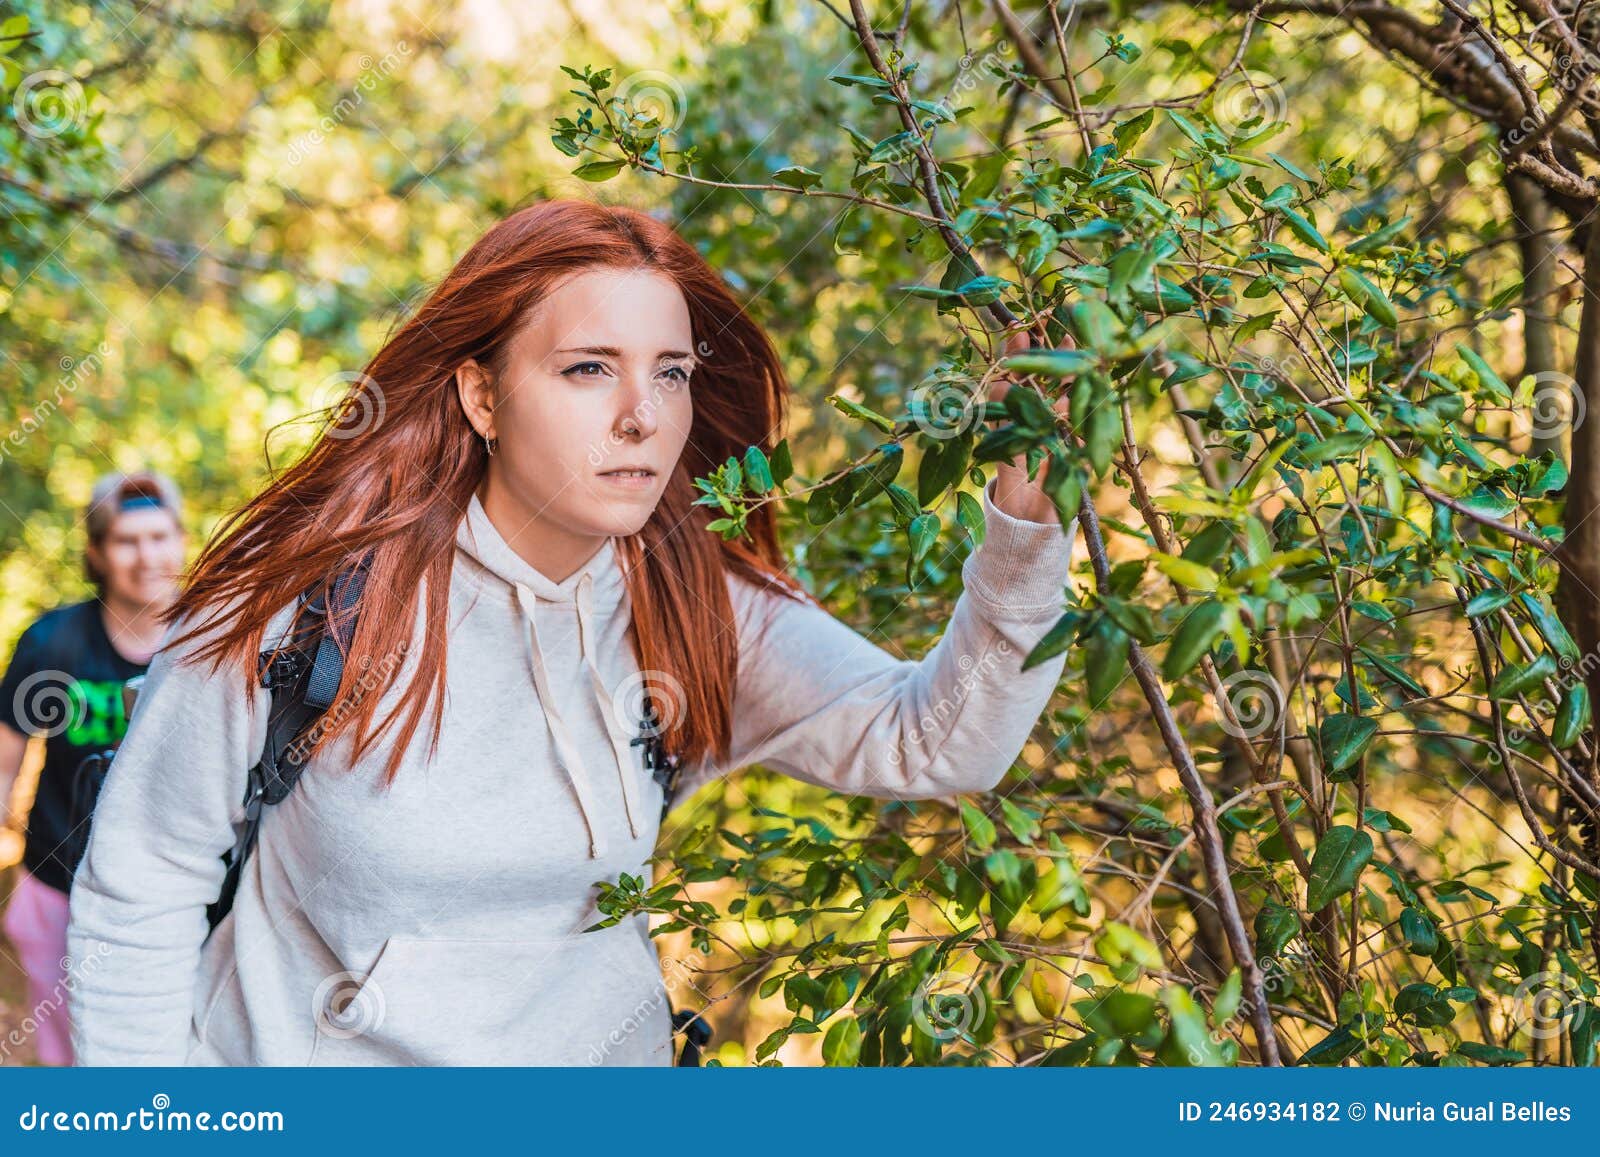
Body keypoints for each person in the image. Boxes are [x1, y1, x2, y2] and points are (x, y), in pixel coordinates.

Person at [66, 198, 1077, 1067]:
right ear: (481, 394)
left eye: (671, 372)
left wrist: (1026, 530)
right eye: (590, 367)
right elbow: (143, 881)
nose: (641, 414)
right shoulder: (302, 599)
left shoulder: (691, 602)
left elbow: (939, 739)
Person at [0, 471, 186, 1065]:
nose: (147, 556)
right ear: (96, 553)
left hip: (176, 896)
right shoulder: (52, 643)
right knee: (70, 1060)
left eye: (160, 536)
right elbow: (3, 763)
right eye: (127, 541)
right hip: (59, 889)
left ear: (182, 540)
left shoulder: (211, 639)